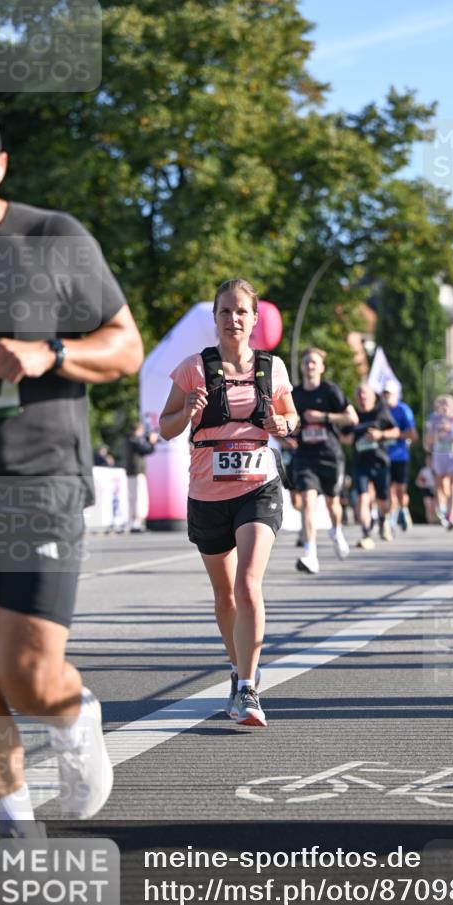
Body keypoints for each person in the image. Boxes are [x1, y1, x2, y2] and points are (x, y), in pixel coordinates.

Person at [0, 100, 144, 893]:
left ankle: (74, 718)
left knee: (26, 674)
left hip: (36, 481)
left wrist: (50, 351)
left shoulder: (49, 238)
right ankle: (16, 833)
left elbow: (127, 347)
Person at [158, 278, 297, 726]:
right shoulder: (192, 369)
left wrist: (282, 424)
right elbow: (164, 426)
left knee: (247, 584)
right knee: (225, 595)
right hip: (207, 492)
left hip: (258, 486)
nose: (233, 319)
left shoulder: (272, 369)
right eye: (225, 311)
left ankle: (248, 687)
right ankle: (237, 666)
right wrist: (188, 410)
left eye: (241, 311)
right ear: (215, 318)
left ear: (254, 319)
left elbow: (291, 417)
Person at [290, 347, 358, 574]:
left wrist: (323, 417)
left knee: (333, 505)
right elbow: (287, 421)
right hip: (306, 455)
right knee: (308, 502)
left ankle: (336, 531)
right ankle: (310, 554)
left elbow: (352, 417)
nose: (309, 365)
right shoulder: (295, 394)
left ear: (321, 367)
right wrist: (289, 431)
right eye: (306, 362)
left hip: (330, 455)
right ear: (302, 367)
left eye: (313, 362)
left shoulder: (330, 391)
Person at [345, 384, 399, 548]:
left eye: (365, 394)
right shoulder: (353, 414)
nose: (362, 397)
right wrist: (351, 437)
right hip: (360, 462)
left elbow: (396, 431)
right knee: (362, 496)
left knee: (383, 500)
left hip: (380, 461)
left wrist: (380, 435)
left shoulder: (380, 411)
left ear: (373, 397)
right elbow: (344, 436)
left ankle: (383, 522)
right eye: (359, 394)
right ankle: (366, 533)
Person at [381, 380, 418, 532]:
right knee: (389, 490)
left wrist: (394, 435)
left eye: (388, 394)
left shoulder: (403, 410)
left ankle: (404, 509)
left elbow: (413, 434)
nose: (386, 397)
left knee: (400, 490)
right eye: (384, 394)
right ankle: (391, 520)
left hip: (400, 456)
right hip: (384, 456)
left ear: (396, 394)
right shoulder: (380, 410)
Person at [424, 393, 453, 530]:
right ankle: (445, 509)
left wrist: (451, 431)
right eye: (442, 405)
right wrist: (435, 432)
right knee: (441, 486)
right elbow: (428, 441)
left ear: (452, 406)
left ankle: (452, 516)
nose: (444, 407)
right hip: (439, 455)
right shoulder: (434, 420)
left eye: (447, 404)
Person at [124, 420, 158, 532]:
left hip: (132, 473)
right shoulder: (134, 440)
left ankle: (134, 522)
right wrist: (152, 442)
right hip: (136, 473)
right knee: (138, 498)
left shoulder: (129, 440)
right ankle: (136, 523)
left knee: (134, 498)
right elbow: (146, 449)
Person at [415, 458, 437, 524]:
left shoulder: (436, 469)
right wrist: (422, 485)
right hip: (426, 489)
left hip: (435, 489)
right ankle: (430, 521)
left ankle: (434, 520)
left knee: (434, 507)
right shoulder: (423, 470)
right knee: (428, 506)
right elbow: (418, 481)